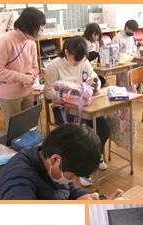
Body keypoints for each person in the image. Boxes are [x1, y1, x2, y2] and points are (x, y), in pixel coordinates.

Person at [0, 123, 123, 200]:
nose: (74, 180)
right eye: (73, 175)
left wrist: (98, 201)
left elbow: (72, 192)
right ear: (55, 160)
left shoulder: (55, 163)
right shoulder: (18, 182)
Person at [44, 36, 110, 187]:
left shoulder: (84, 62)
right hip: (63, 109)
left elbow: (95, 79)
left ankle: (96, 156)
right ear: (66, 52)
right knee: (79, 136)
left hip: (85, 106)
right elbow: (47, 93)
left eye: (82, 59)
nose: (79, 62)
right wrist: (66, 92)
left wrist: (94, 86)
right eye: (76, 59)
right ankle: (81, 170)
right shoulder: (54, 66)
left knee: (104, 129)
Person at [0, 7, 46, 125]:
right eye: (40, 28)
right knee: (15, 129)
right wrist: (21, 77)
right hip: (8, 95)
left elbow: (35, 67)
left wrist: (29, 75)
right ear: (30, 25)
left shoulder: (31, 42)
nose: (42, 31)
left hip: (27, 91)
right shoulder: (5, 41)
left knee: (29, 126)